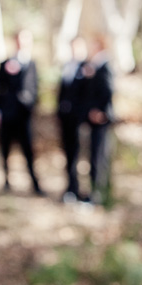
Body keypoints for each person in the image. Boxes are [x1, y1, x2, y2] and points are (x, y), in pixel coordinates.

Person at [0, 29, 44, 195]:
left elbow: (36, 89)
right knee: (5, 149)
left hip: (24, 116)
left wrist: (29, 102)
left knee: (28, 150)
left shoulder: (32, 63)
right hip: (8, 114)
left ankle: (35, 184)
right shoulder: (5, 63)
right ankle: (6, 181)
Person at [82, 34, 114, 204]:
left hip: (101, 119)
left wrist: (101, 111)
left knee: (99, 157)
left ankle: (98, 195)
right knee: (95, 156)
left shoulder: (105, 66)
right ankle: (96, 192)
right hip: (95, 118)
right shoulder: (96, 65)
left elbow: (108, 90)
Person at [57, 36, 88, 202]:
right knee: (68, 154)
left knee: (79, 156)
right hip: (65, 118)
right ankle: (69, 188)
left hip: (79, 120)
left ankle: (79, 190)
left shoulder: (87, 67)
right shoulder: (67, 66)